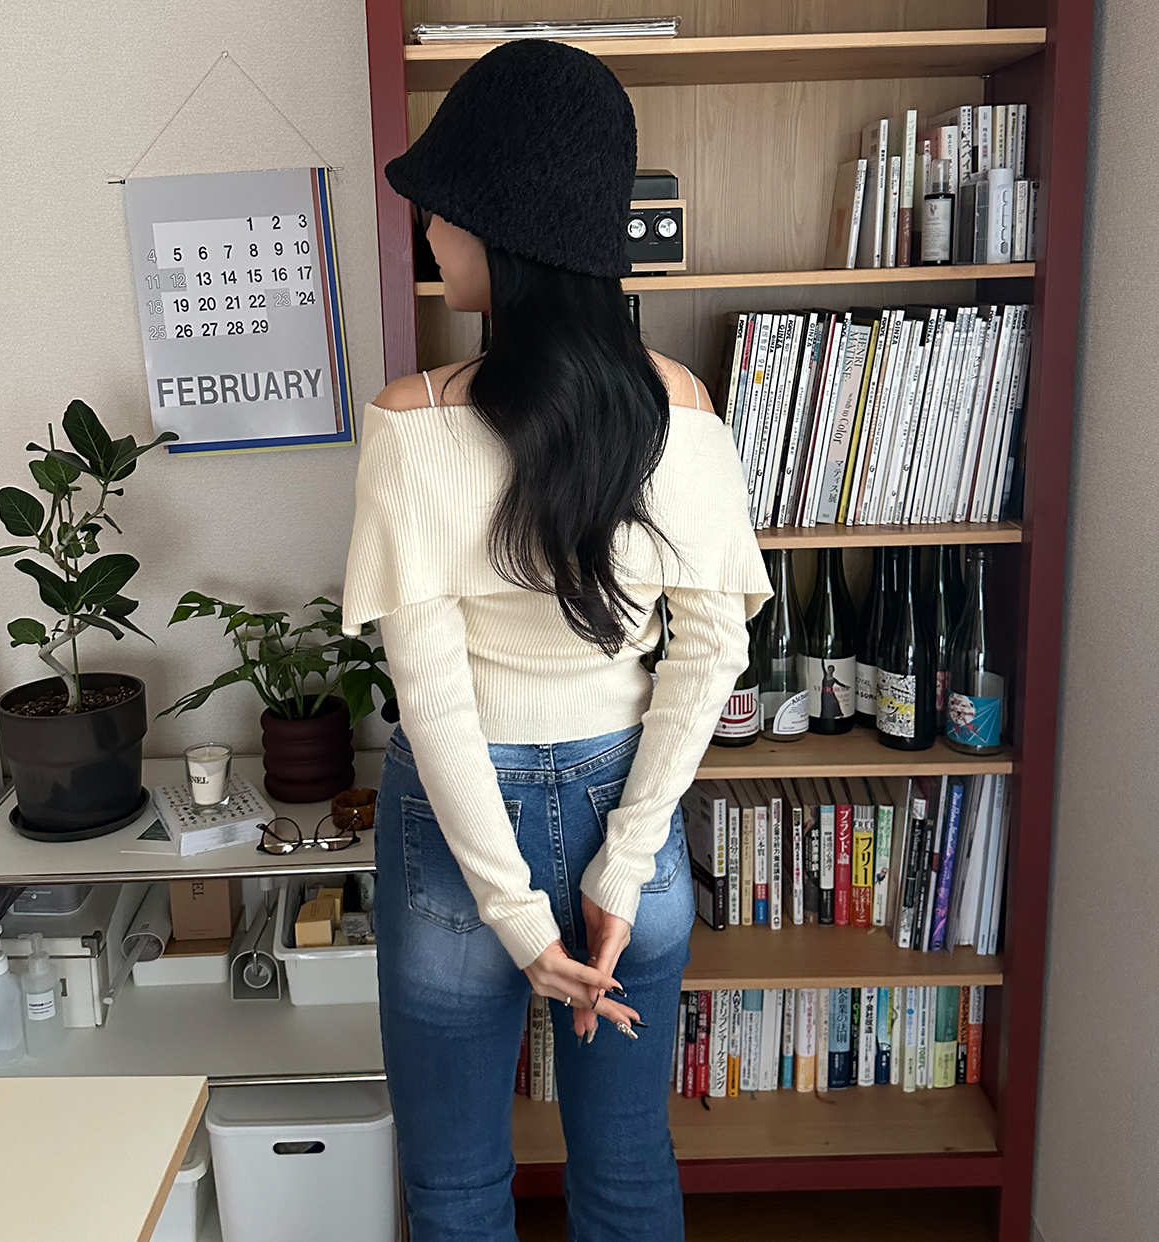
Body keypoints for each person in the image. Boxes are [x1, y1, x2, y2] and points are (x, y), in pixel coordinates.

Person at [341, 38, 772, 1242]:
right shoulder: (685, 410)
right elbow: (711, 654)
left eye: (445, 206)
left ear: (509, 230)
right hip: (623, 800)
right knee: (627, 1171)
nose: (429, 229)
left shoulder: (411, 421)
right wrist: (621, 866)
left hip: (453, 833)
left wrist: (515, 917)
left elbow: (431, 697)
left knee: (455, 1188)